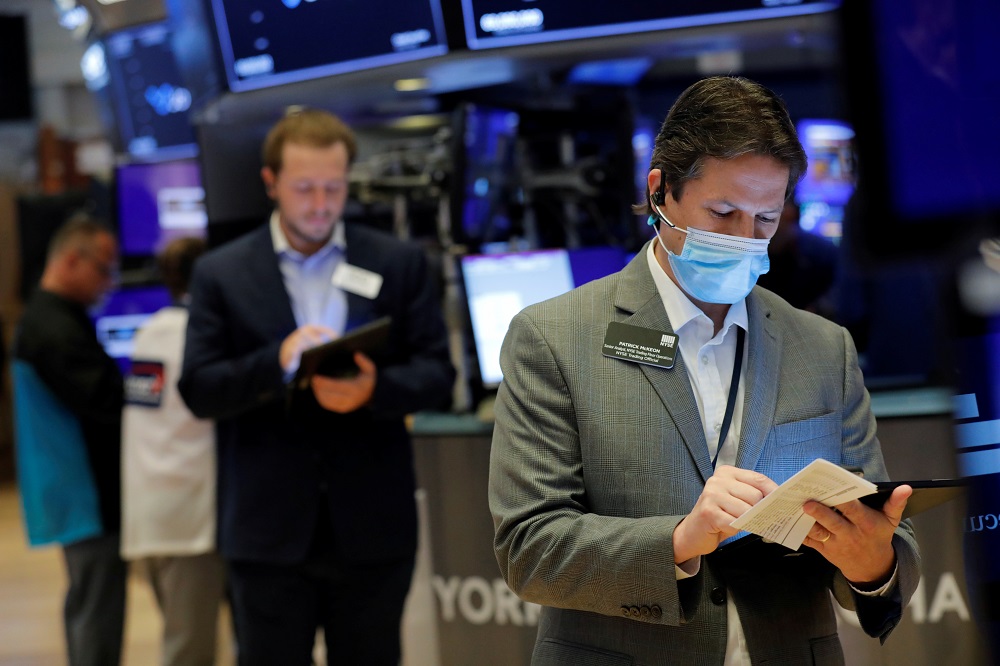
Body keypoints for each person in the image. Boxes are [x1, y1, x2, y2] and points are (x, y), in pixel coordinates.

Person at [488, 76, 920, 665]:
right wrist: (679, 541)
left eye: (766, 219)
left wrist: (874, 562)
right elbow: (529, 548)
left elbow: (887, 546)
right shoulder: (555, 337)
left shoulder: (823, 348)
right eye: (723, 213)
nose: (746, 240)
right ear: (661, 191)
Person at [178, 108, 455, 665]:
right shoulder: (221, 273)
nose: (321, 203)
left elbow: (438, 377)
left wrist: (374, 391)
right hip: (266, 533)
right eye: (305, 188)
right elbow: (200, 389)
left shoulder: (396, 263)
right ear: (271, 182)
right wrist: (275, 363)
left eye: (334, 187)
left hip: (373, 529)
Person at [13, 216, 127, 666]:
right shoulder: (53, 329)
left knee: (87, 603)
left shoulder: (50, 317)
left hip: (72, 491)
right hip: (84, 494)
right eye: (103, 270)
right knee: (96, 611)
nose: (109, 283)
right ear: (72, 260)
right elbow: (107, 402)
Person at [120, 236, 225, 666]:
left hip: (153, 514)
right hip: (189, 522)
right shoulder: (198, 337)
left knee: (184, 643)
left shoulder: (150, 332)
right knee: (188, 654)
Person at [755, 199, 839, 319]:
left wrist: (816, 309)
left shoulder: (823, 252)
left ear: (791, 216)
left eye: (768, 218)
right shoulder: (753, 251)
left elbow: (840, 290)